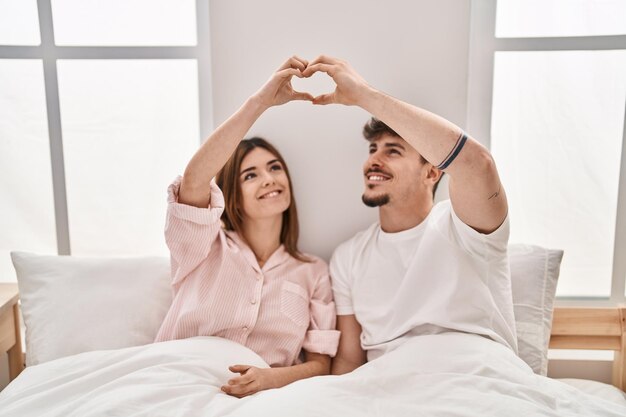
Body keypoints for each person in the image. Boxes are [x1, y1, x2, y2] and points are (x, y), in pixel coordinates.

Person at [298, 55, 517, 374]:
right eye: (373, 149)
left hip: (473, 378)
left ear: (432, 173)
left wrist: (363, 95)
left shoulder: (466, 229)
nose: (374, 160)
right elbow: (348, 361)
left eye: (393, 150)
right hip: (387, 385)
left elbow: (478, 163)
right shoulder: (348, 257)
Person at [154, 56, 340, 397]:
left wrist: (270, 379)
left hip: (265, 398)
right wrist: (260, 104)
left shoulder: (313, 272)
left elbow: (320, 364)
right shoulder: (202, 246)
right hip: (177, 382)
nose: (268, 179)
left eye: (274, 168)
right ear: (232, 195)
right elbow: (194, 180)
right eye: (250, 175)